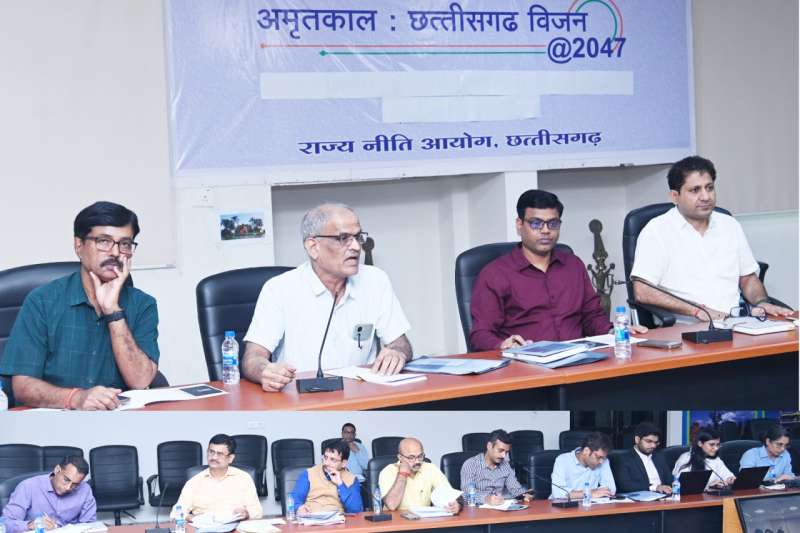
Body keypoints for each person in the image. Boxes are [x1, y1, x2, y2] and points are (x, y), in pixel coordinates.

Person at [0, 201, 160, 410]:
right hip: (52, 420)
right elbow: (23, 387)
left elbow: (140, 381)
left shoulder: (143, 304)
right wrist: (76, 398)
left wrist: (113, 311)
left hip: (117, 419)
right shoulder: (42, 301)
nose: (115, 252)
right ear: (79, 246)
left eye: (125, 244)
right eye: (104, 241)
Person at [241, 203, 412, 392]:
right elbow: (253, 358)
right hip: (301, 398)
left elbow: (401, 343)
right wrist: (265, 371)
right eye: (343, 238)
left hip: (362, 396)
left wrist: (397, 353)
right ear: (313, 247)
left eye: (358, 237)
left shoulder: (376, 280)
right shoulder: (279, 289)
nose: (356, 247)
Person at [470, 189, 646, 351]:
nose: (546, 231)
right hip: (526, 364)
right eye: (536, 224)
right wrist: (503, 345)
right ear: (519, 224)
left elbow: (592, 317)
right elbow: (480, 334)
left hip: (579, 360)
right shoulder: (495, 274)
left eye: (553, 223)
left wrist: (614, 331)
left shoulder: (573, 265)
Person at [632, 156, 792, 322]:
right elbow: (642, 291)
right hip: (683, 328)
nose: (705, 197)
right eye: (695, 190)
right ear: (674, 196)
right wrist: (698, 311)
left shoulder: (729, 225)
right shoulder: (657, 231)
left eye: (709, 188)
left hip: (735, 323)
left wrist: (762, 302)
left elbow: (748, 279)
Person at [173, 434, 262, 520]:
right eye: (211, 452)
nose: (214, 457)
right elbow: (175, 513)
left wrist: (246, 514)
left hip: (235, 526)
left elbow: (257, 512)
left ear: (230, 458)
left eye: (220, 454)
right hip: (204, 527)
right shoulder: (194, 482)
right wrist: (191, 518)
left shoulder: (243, 478)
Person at [1, 456, 96, 533]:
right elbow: (5, 523)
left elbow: (89, 526)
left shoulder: (85, 490)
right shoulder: (28, 487)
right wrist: (29, 525)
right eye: (66, 480)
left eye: (75, 484)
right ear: (57, 469)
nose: (68, 487)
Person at [378, 438, 460, 513]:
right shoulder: (388, 471)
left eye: (420, 456)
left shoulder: (430, 468)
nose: (417, 461)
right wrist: (402, 474)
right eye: (411, 457)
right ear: (400, 457)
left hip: (423, 521)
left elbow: (450, 494)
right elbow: (391, 505)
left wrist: (456, 505)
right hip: (396, 522)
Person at [290, 440, 363, 514]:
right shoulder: (309, 474)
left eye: (332, 459)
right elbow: (294, 500)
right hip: (311, 517)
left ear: (343, 463)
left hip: (337, 519)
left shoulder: (351, 479)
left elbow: (356, 510)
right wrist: (299, 508)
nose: (326, 463)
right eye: (325, 457)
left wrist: (340, 484)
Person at [459, 429, 530, 504]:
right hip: (477, 508)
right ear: (489, 446)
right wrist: (486, 499)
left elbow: (515, 489)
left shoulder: (505, 465)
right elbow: (466, 494)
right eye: (500, 450)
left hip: (500, 507)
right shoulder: (471, 464)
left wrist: (524, 495)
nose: (503, 456)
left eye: (506, 452)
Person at [550, 432, 616, 499]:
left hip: (590, 504)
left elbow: (611, 489)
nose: (601, 461)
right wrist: (590, 493)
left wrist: (595, 493)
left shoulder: (603, 461)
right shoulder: (562, 460)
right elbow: (558, 493)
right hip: (562, 504)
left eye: (603, 458)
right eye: (598, 457)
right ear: (586, 451)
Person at [613, 422, 673, 494]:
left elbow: (670, 480)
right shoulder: (624, 459)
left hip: (664, 496)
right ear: (637, 440)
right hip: (639, 498)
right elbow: (625, 485)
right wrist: (655, 487)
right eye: (649, 441)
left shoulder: (659, 456)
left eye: (656, 442)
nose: (653, 446)